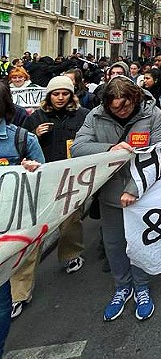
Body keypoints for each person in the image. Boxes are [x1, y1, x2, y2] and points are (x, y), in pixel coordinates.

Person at [73, 77, 161, 321]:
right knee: (115, 245)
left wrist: (134, 188)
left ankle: (142, 286)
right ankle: (122, 287)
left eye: (125, 106)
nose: (121, 111)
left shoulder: (153, 114)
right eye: (115, 108)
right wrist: (109, 149)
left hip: (143, 192)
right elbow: (79, 147)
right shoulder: (95, 116)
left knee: (138, 243)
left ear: (135, 99)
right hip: (110, 193)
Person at [11, 76, 89, 317]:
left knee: (70, 221)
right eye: (56, 94)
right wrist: (34, 134)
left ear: (71, 95)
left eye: (65, 93)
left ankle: (71, 254)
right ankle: (20, 292)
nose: (60, 98)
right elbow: (22, 146)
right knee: (33, 234)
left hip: (71, 178)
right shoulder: (35, 118)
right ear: (49, 96)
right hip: (42, 182)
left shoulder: (82, 115)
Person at [0, 81, 44, 321]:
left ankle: (18, 295)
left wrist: (31, 168)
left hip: (16, 210)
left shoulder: (22, 139)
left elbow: (45, 175)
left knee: (20, 254)